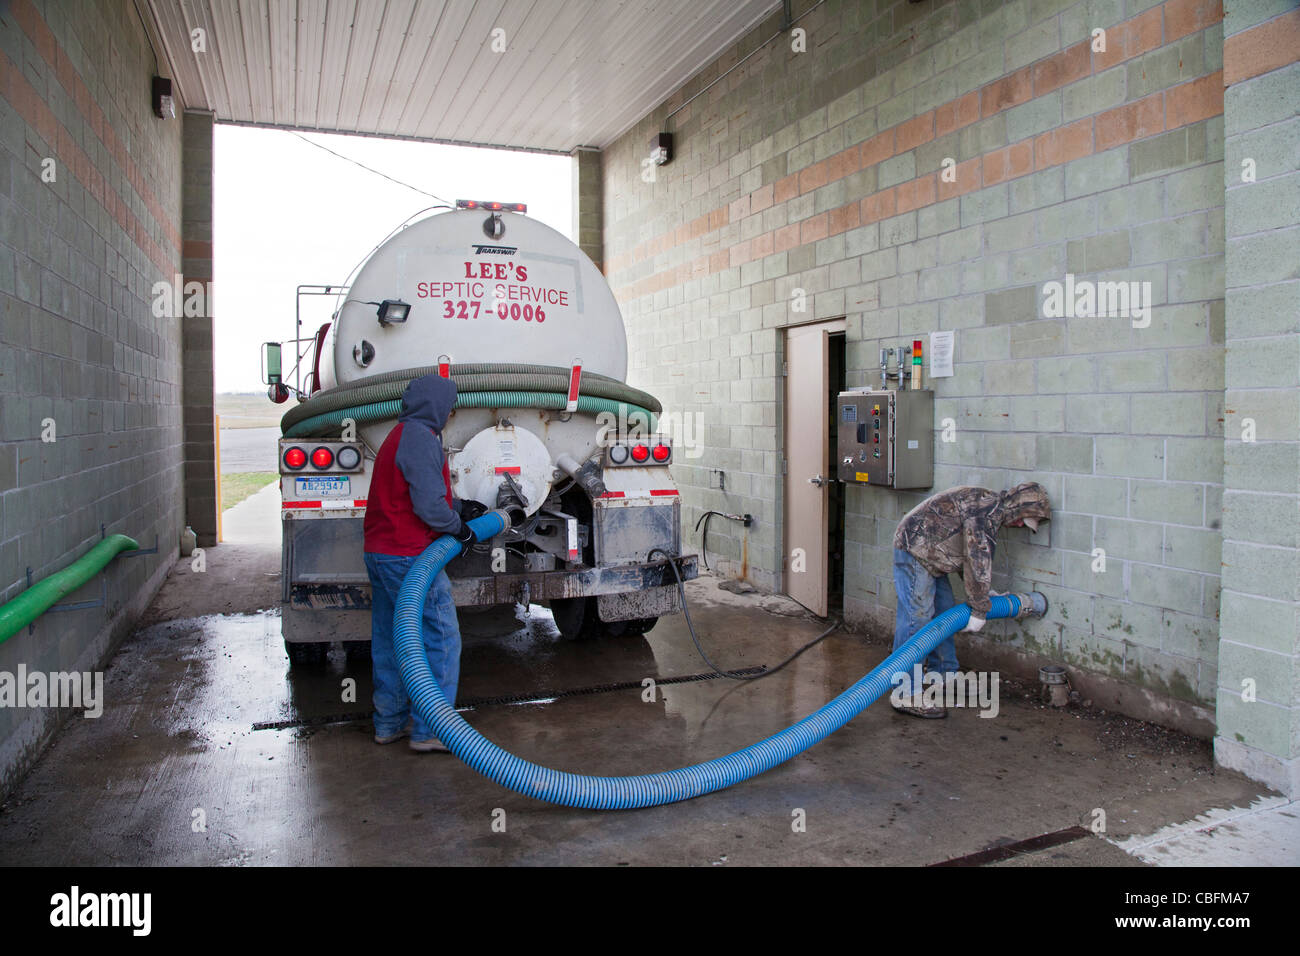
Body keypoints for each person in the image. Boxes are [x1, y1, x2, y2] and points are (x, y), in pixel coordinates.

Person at [362, 374, 481, 752]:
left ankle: (389, 722)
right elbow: (429, 507)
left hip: (380, 553)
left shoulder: (400, 436)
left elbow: (409, 493)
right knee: (439, 637)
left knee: (392, 637)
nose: (451, 412)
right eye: (450, 405)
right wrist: (458, 528)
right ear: (437, 406)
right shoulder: (421, 438)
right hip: (409, 556)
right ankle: (432, 729)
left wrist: (462, 507)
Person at [890, 482, 1051, 718]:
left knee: (943, 616)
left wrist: (983, 595)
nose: (1019, 526)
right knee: (917, 621)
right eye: (1022, 520)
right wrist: (979, 609)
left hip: (930, 552)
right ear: (1018, 508)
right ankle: (905, 692)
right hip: (914, 549)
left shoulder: (989, 508)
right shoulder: (988, 512)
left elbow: (967, 555)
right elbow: (977, 559)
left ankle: (944, 676)